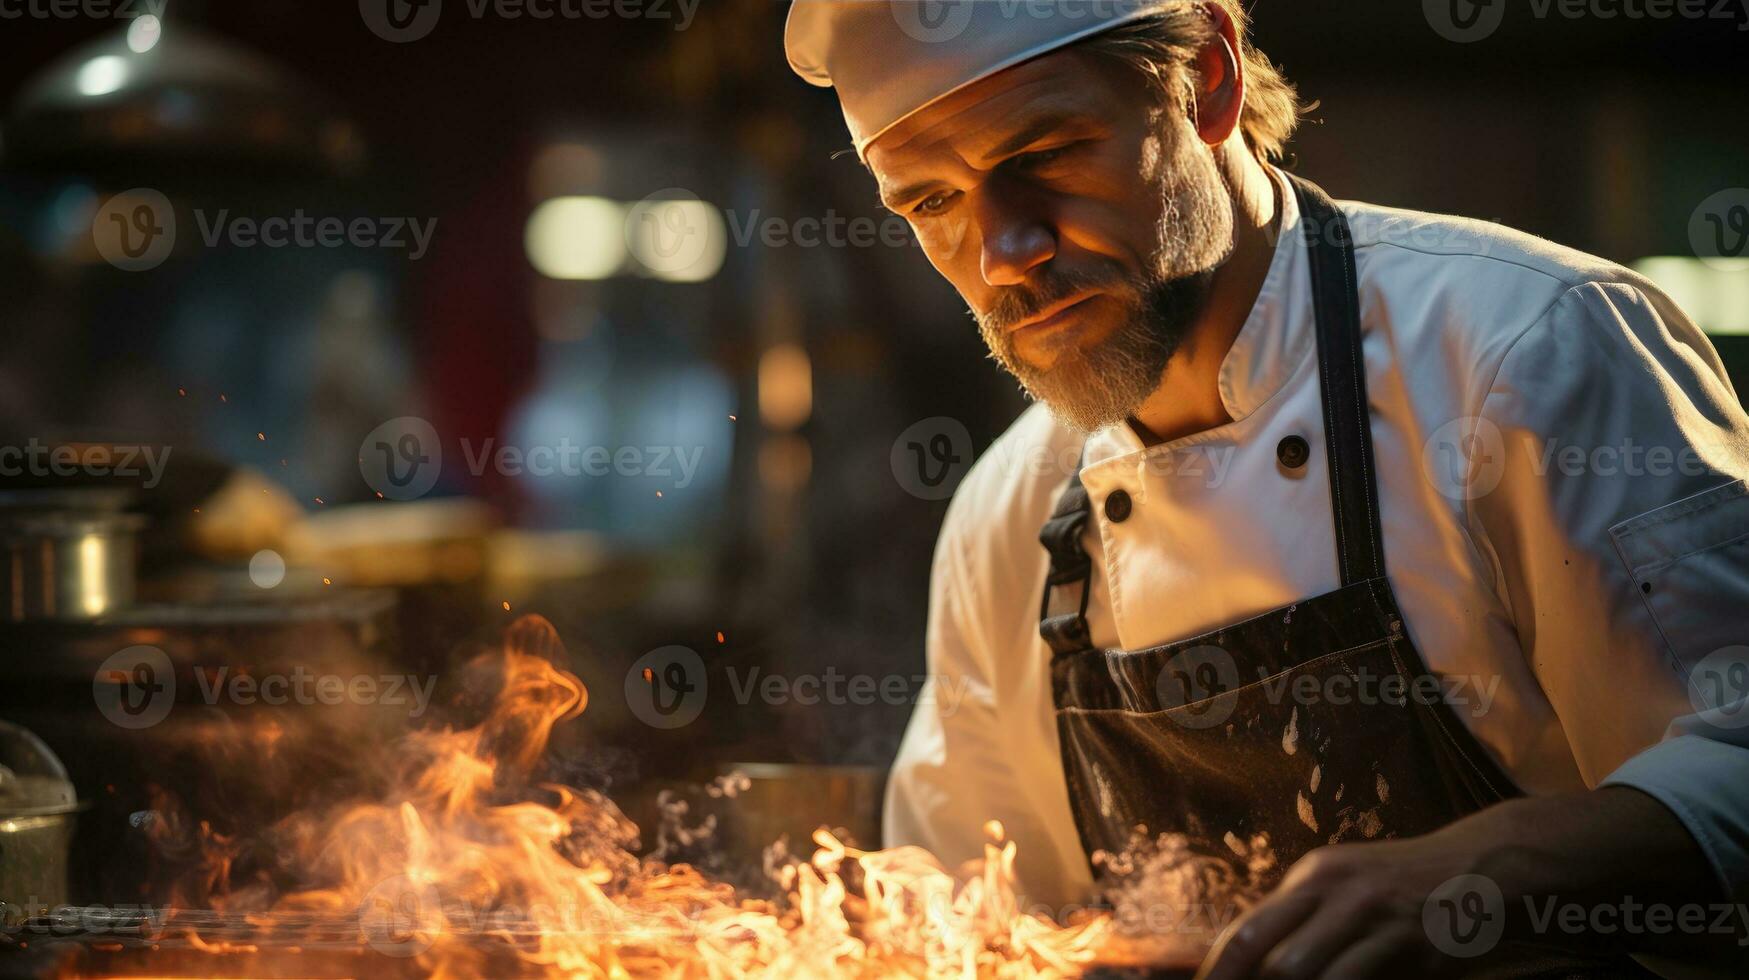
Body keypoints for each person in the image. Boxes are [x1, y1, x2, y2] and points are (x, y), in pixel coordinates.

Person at [784, 2, 1749, 977]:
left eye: (1047, 153)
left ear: (1208, 80)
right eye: (931, 203)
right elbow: (968, 923)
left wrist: (1485, 873)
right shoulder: (1009, 518)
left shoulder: (1526, 355)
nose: (1003, 252)